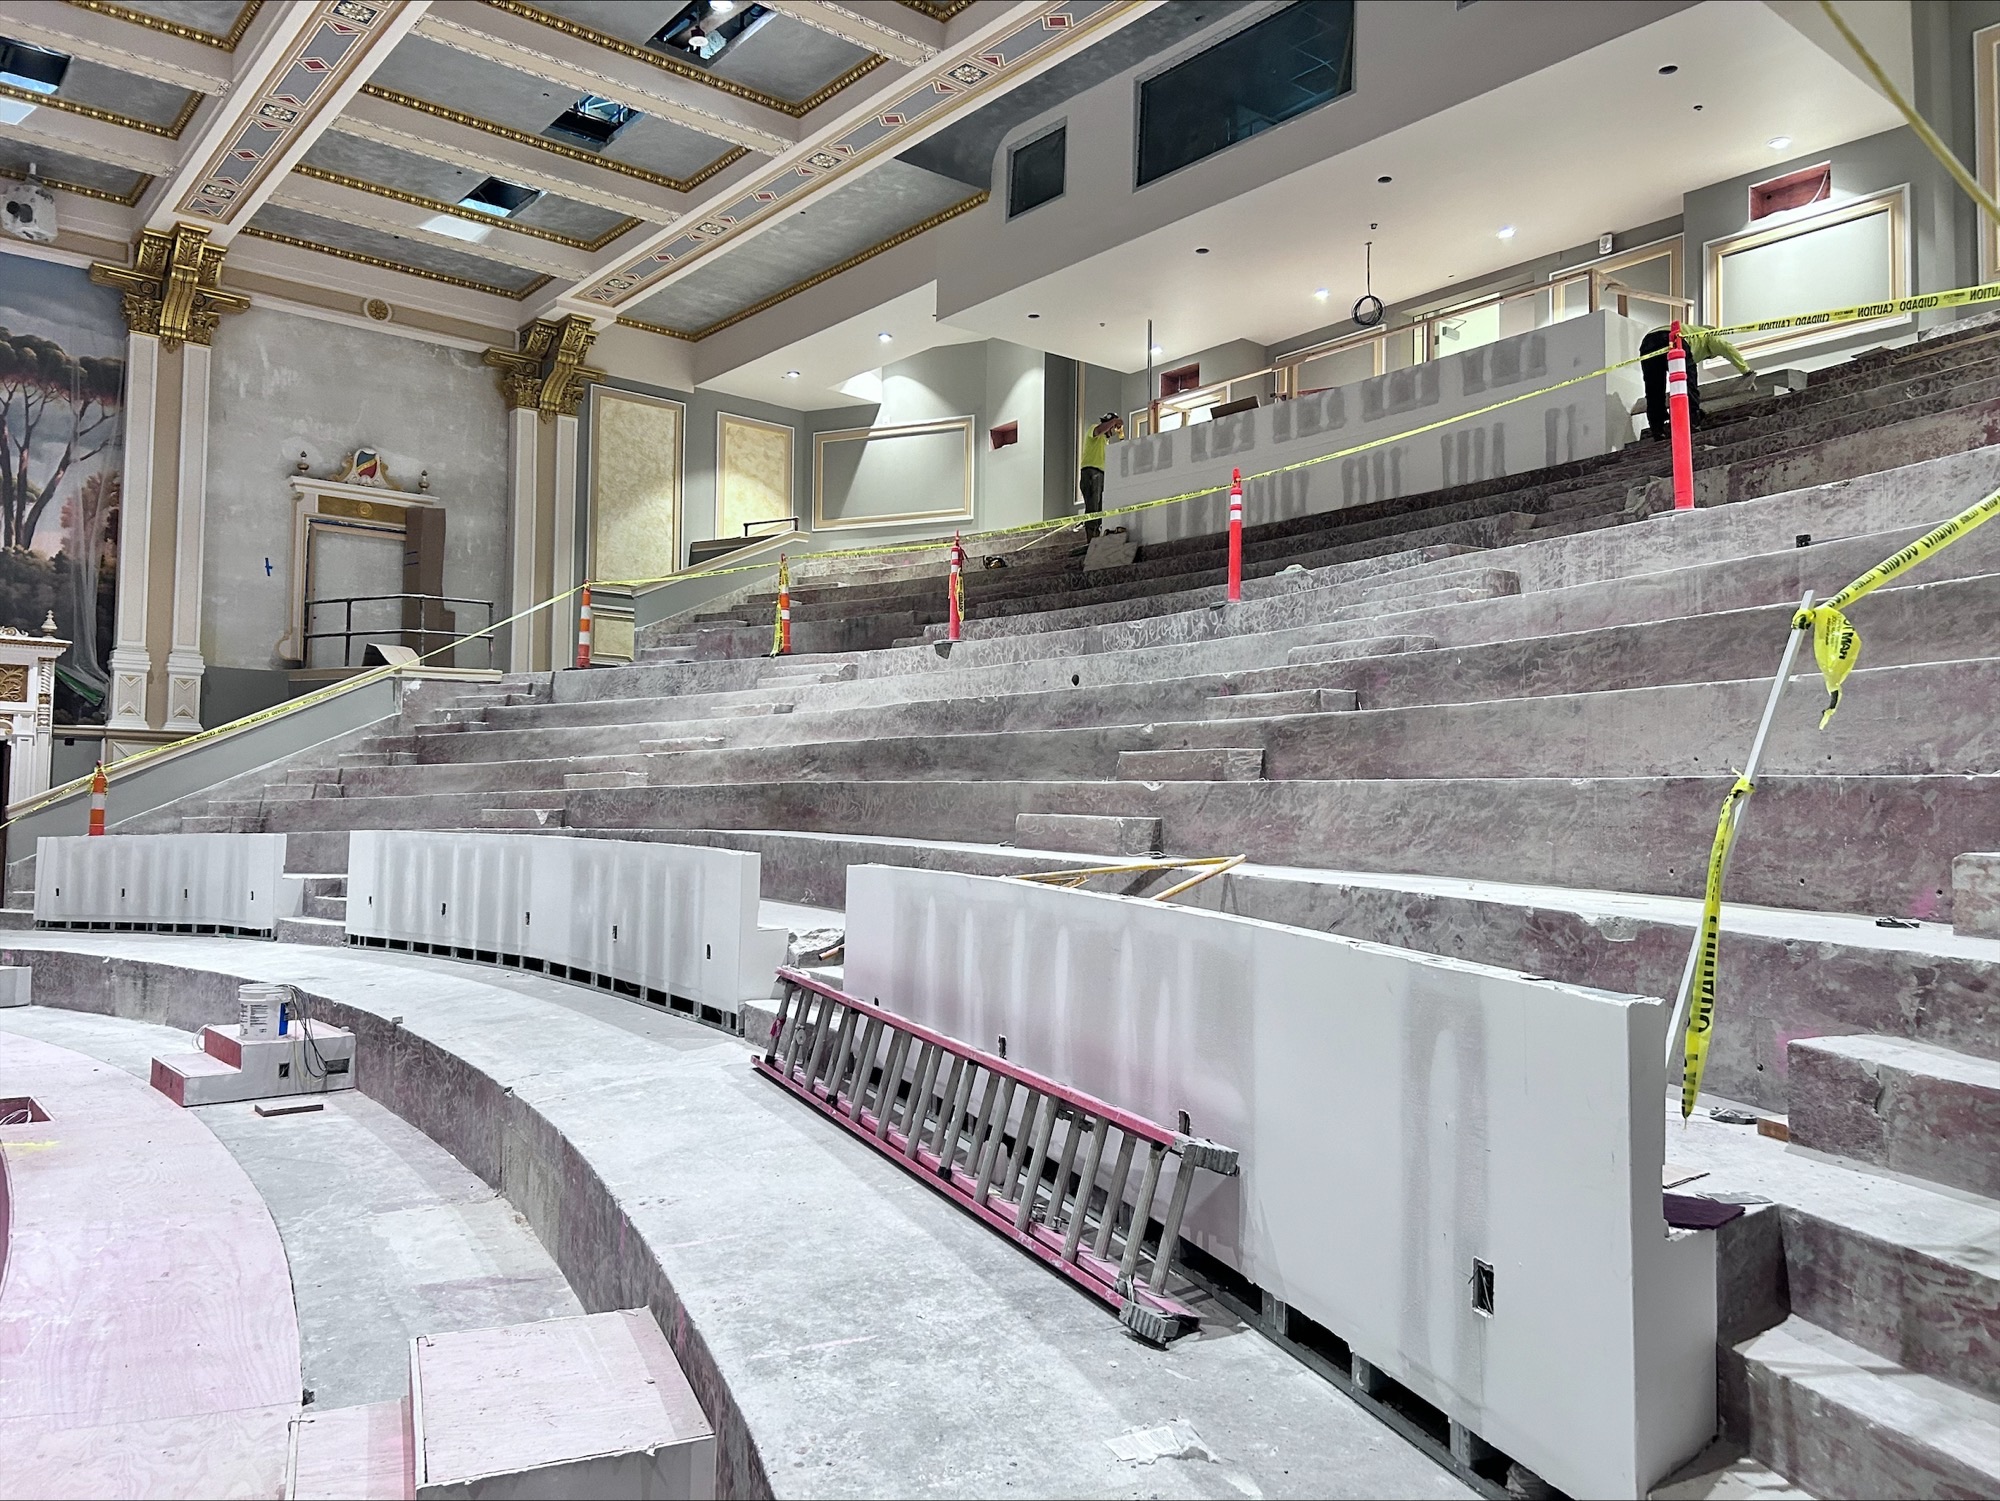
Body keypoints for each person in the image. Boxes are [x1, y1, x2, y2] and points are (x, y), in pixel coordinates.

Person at [1080, 412, 1122, 536]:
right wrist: (1114, 421)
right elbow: (1098, 430)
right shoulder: (1094, 430)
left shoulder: (1105, 442)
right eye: (1113, 427)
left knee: (1099, 509)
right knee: (1093, 508)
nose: (1113, 431)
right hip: (1091, 472)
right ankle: (1091, 537)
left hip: (1100, 474)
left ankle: (1096, 535)